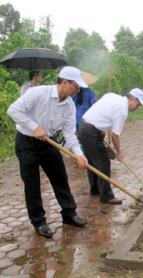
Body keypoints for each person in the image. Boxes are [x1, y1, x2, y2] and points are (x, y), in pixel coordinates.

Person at [7, 66, 89, 238]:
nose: (78, 89)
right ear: (65, 82)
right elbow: (13, 110)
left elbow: (69, 134)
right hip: (27, 142)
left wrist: (79, 154)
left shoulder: (69, 105)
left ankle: (69, 213)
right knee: (32, 183)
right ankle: (39, 221)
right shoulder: (38, 93)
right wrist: (34, 127)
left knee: (60, 177)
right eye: (76, 85)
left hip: (49, 142)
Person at [78, 89, 143, 204]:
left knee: (93, 162)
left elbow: (102, 112)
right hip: (91, 132)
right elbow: (115, 135)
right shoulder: (122, 110)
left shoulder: (113, 96)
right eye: (138, 104)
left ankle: (95, 190)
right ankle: (106, 196)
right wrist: (118, 152)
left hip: (83, 126)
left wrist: (101, 132)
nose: (137, 107)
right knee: (103, 163)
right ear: (133, 99)